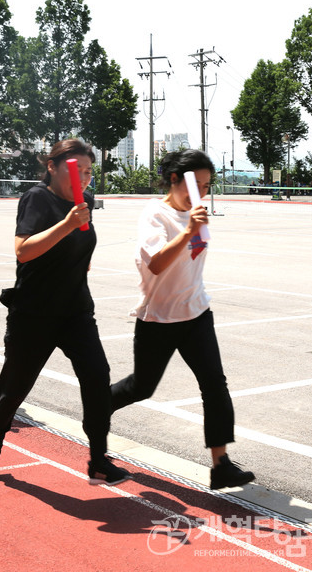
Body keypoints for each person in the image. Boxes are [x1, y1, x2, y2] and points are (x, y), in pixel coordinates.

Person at [0, 139, 130, 486]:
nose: (86, 178)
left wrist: (79, 263)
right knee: (14, 389)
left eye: (90, 171)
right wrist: (66, 224)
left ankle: (98, 458)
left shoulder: (86, 201)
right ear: (52, 166)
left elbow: (83, 247)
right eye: (78, 170)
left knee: (96, 378)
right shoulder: (36, 199)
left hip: (76, 311)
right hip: (34, 312)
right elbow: (23, 252)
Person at [110, 149, 255, 491]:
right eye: (194, 185)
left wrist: (194, 223)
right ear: (175, 180)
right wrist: (189, 229)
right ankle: (98, 410)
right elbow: (157, 264)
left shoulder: (198, 213)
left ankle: (221, 465)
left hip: (196, 313)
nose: (200, 194)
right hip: (158, 318)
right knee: (141, 387)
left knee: (214, 385)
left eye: (206, 186)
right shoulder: (154, 214)